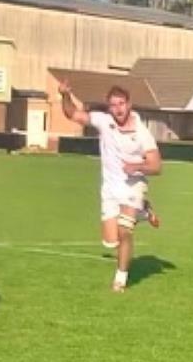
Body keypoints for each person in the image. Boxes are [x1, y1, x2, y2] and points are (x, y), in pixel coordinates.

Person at [58, 81, 162, 292]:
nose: (118, 109)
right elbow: (73, 114)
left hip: (133, 186)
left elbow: (157, 166)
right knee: (111, 241)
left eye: (121, 104)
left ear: (129, 104)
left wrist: (138, 166)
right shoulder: (104, 121)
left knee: (125, 232)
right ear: (109, 108)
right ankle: (144, 211)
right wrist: (65, 96)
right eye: (113, 105)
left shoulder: (142, 133)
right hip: (110, 189)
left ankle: (120, 281)